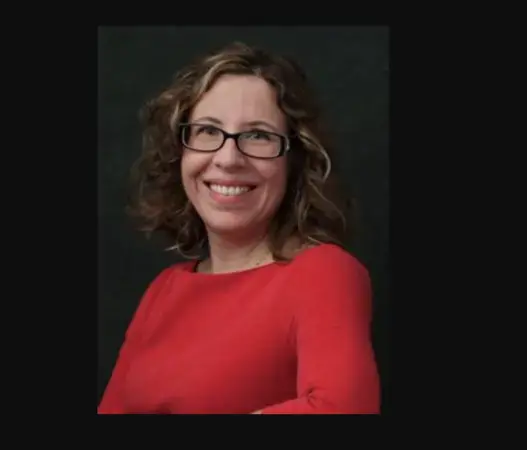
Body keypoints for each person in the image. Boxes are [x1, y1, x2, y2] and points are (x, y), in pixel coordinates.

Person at [98, 42, 380, 414]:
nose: (228, 158)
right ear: (179, 152)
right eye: (207, 131)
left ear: (294, 161)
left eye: (258, 135)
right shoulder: (164, 290)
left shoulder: (323, 273)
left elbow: (344, 409)